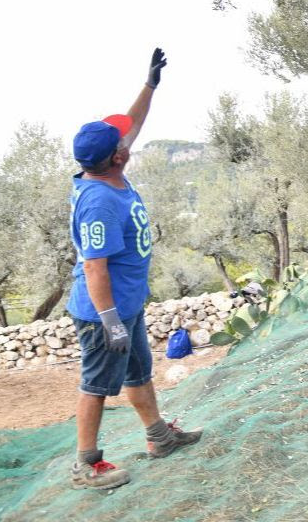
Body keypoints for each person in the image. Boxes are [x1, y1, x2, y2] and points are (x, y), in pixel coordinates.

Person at [66, 48, 202, 490]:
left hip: (125, 306)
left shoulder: (106, 170)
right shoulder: (100, 202)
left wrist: (150, 85)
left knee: (138, 372)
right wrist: (111, 323)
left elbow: (133, 122)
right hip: (104, 313)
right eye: (123, 142)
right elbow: (94, 268)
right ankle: (86, 463)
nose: (129, 139)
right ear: (118, 156)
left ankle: (158, 437)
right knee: (96, 385)